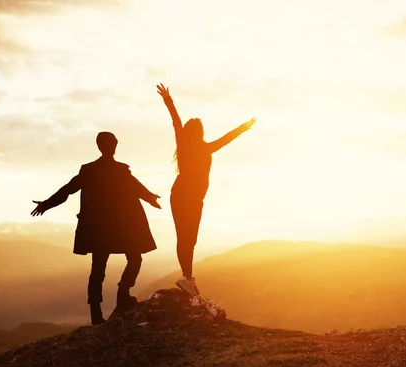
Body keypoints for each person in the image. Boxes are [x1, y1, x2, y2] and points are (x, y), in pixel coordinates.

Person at [30, 131, 161, 325]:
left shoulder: (91, 171)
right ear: (111, 146)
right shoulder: (115, 170)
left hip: (101, 229)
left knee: (99, 268)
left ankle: (98, 312)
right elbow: (136, 188)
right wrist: (150, 198)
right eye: (112, 144)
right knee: (131, 260)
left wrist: (46, 204)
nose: (113, 147)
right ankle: (122, 296)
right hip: (120, 227)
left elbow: (67, 190)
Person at [156, 83, 257, 296]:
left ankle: (188, 278)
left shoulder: (184, 144)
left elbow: (176, 121)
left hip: (179, 195)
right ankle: (188, 278)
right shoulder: (205, 148)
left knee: (183, 238)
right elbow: (227, 138)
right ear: (200, 132)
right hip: (192, 199)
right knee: (189, 239)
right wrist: (245, 127)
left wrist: (169, 100)